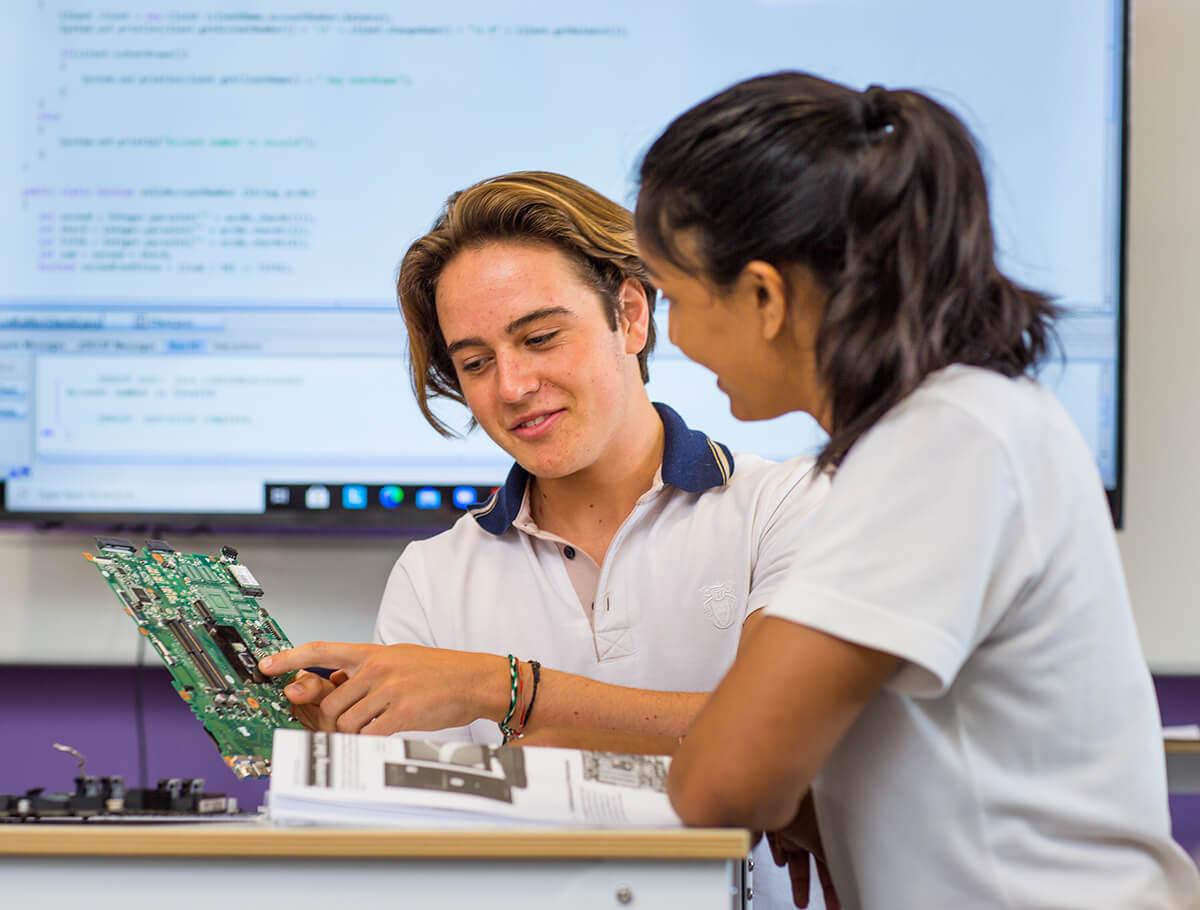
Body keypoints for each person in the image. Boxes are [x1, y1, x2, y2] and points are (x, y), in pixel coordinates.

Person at [632, 71, 1200, 908]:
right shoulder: (964, 422)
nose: (673, 337)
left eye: (674, 297)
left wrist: (771, 782)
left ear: (764, 295)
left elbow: (719, 783)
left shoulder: (942, 444)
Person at [259, 172, 832, 909]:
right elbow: (420, 861)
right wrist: (345, 749)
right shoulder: (433, 576)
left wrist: (502, 688)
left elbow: (785, 748)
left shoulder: (785, 506)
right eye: (475, 362)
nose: (513, 386)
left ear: (630, 314)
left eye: (540, 337)